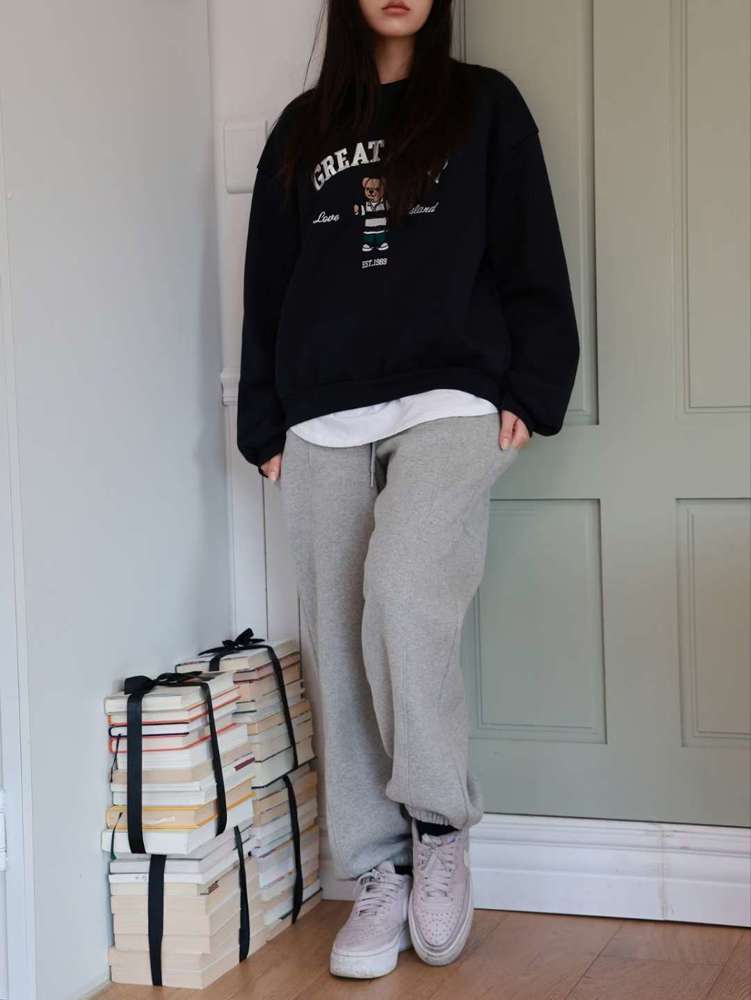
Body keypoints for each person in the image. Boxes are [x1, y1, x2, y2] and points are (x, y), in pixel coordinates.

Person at [237, 0, 580, 980]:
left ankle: (436, 828)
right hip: (320, 409)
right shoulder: (303, 128)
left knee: (401, 592)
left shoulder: (484, 106)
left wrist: (534, 387)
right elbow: (270, 280)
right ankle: (374, 870)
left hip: (450, 393)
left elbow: (530, 250)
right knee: (333, 630)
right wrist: (263, 420)